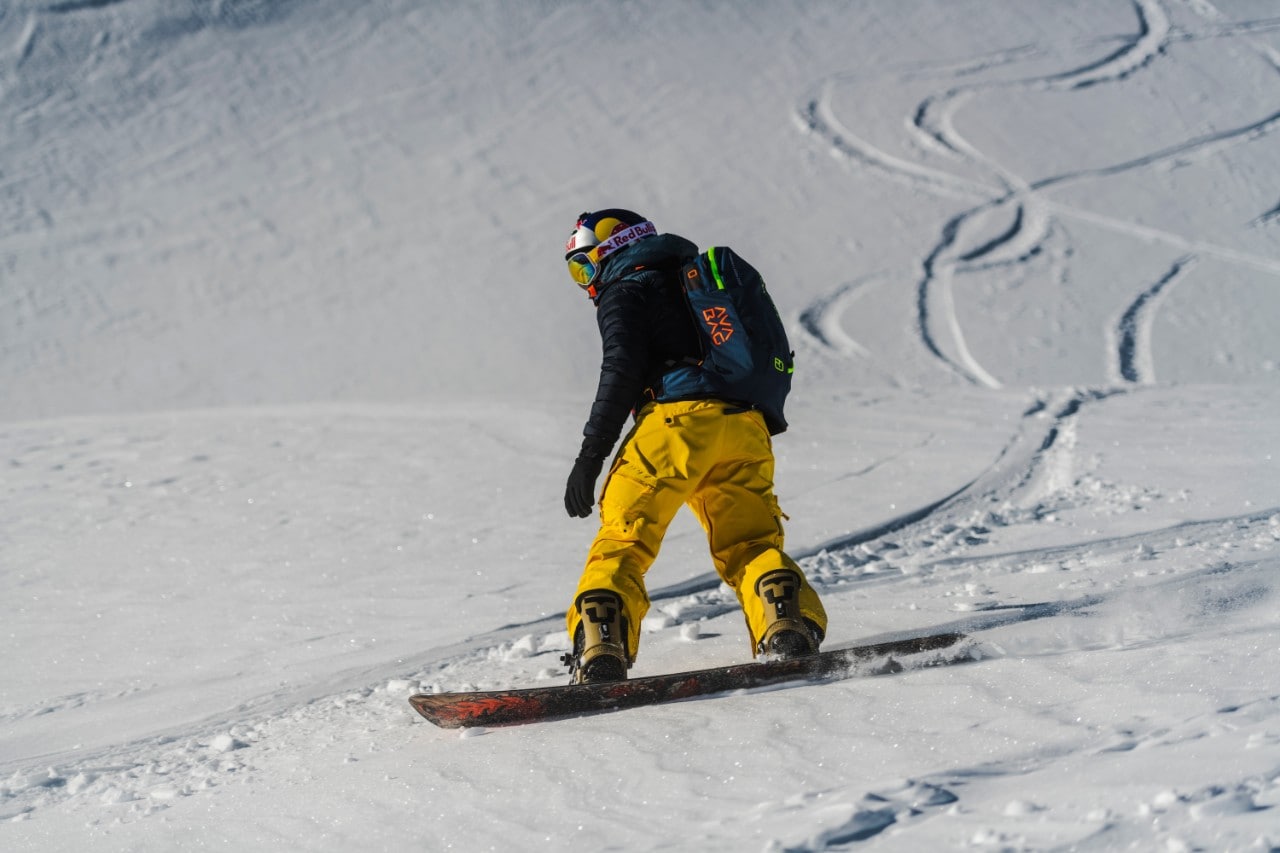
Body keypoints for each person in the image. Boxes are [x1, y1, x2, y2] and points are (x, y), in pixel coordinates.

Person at [560, 208, 828, 684]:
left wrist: (590, 457)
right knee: (751, 544)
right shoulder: (694, 281)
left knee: (623, 541)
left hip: (673, 427)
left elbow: (619, 372)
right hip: (744, 426)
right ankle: (784, 623)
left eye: (583, 266)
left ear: (610, 251)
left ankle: (602, 646)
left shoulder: (626, 290)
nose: (585, 283)